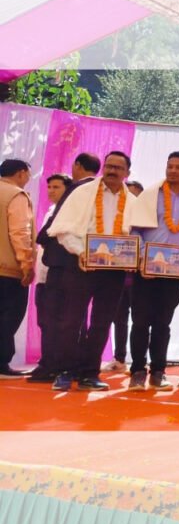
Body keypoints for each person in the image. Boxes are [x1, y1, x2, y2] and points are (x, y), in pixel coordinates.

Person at [46, 151, 137, 391]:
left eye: (118, 167)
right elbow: (64, 231)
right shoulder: (82, 192)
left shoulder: (133, 202)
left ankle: (89, 373)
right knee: (71, 320)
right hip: (81, 265)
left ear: (127, 173)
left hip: (114, 272)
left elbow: (137, 237)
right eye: (109, 166)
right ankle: (64, 372)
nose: (112, 170)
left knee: (101, 323)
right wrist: (81, 252)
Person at [128, 151, 179, 391]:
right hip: (145, 271)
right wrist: (142, 259)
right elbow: (134, 230)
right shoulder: (149, 196)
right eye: (170, 166)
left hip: (175, 274)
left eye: (178, 167)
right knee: (140, 322)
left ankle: (158, 372)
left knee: (163, 323)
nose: (173, 170)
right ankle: (137, 372)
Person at [26, 174, 71, 383]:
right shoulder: (51, 210)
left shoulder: (68, 212)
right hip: (43, 276)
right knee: (45, 322)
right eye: (49, 187)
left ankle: (54, 366)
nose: (51, 191)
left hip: (59, 276)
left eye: (56, 187)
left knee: (56, 322)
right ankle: (47, 363)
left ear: (68, 190)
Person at [102, 180, 143, 374]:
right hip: (117, 278)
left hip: (140, 280)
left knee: (141, 320)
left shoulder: (144, 222)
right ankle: (119, 358)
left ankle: (139, 361)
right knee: (118, 319)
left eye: (134, 195)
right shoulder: (112, 220)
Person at [0, 159, 35, 378]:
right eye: (28, 174)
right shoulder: (16, 195)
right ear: (21, 173)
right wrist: (27, 264)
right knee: (8, 316)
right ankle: (1, 363)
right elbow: (20, 232)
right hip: (7, 269)